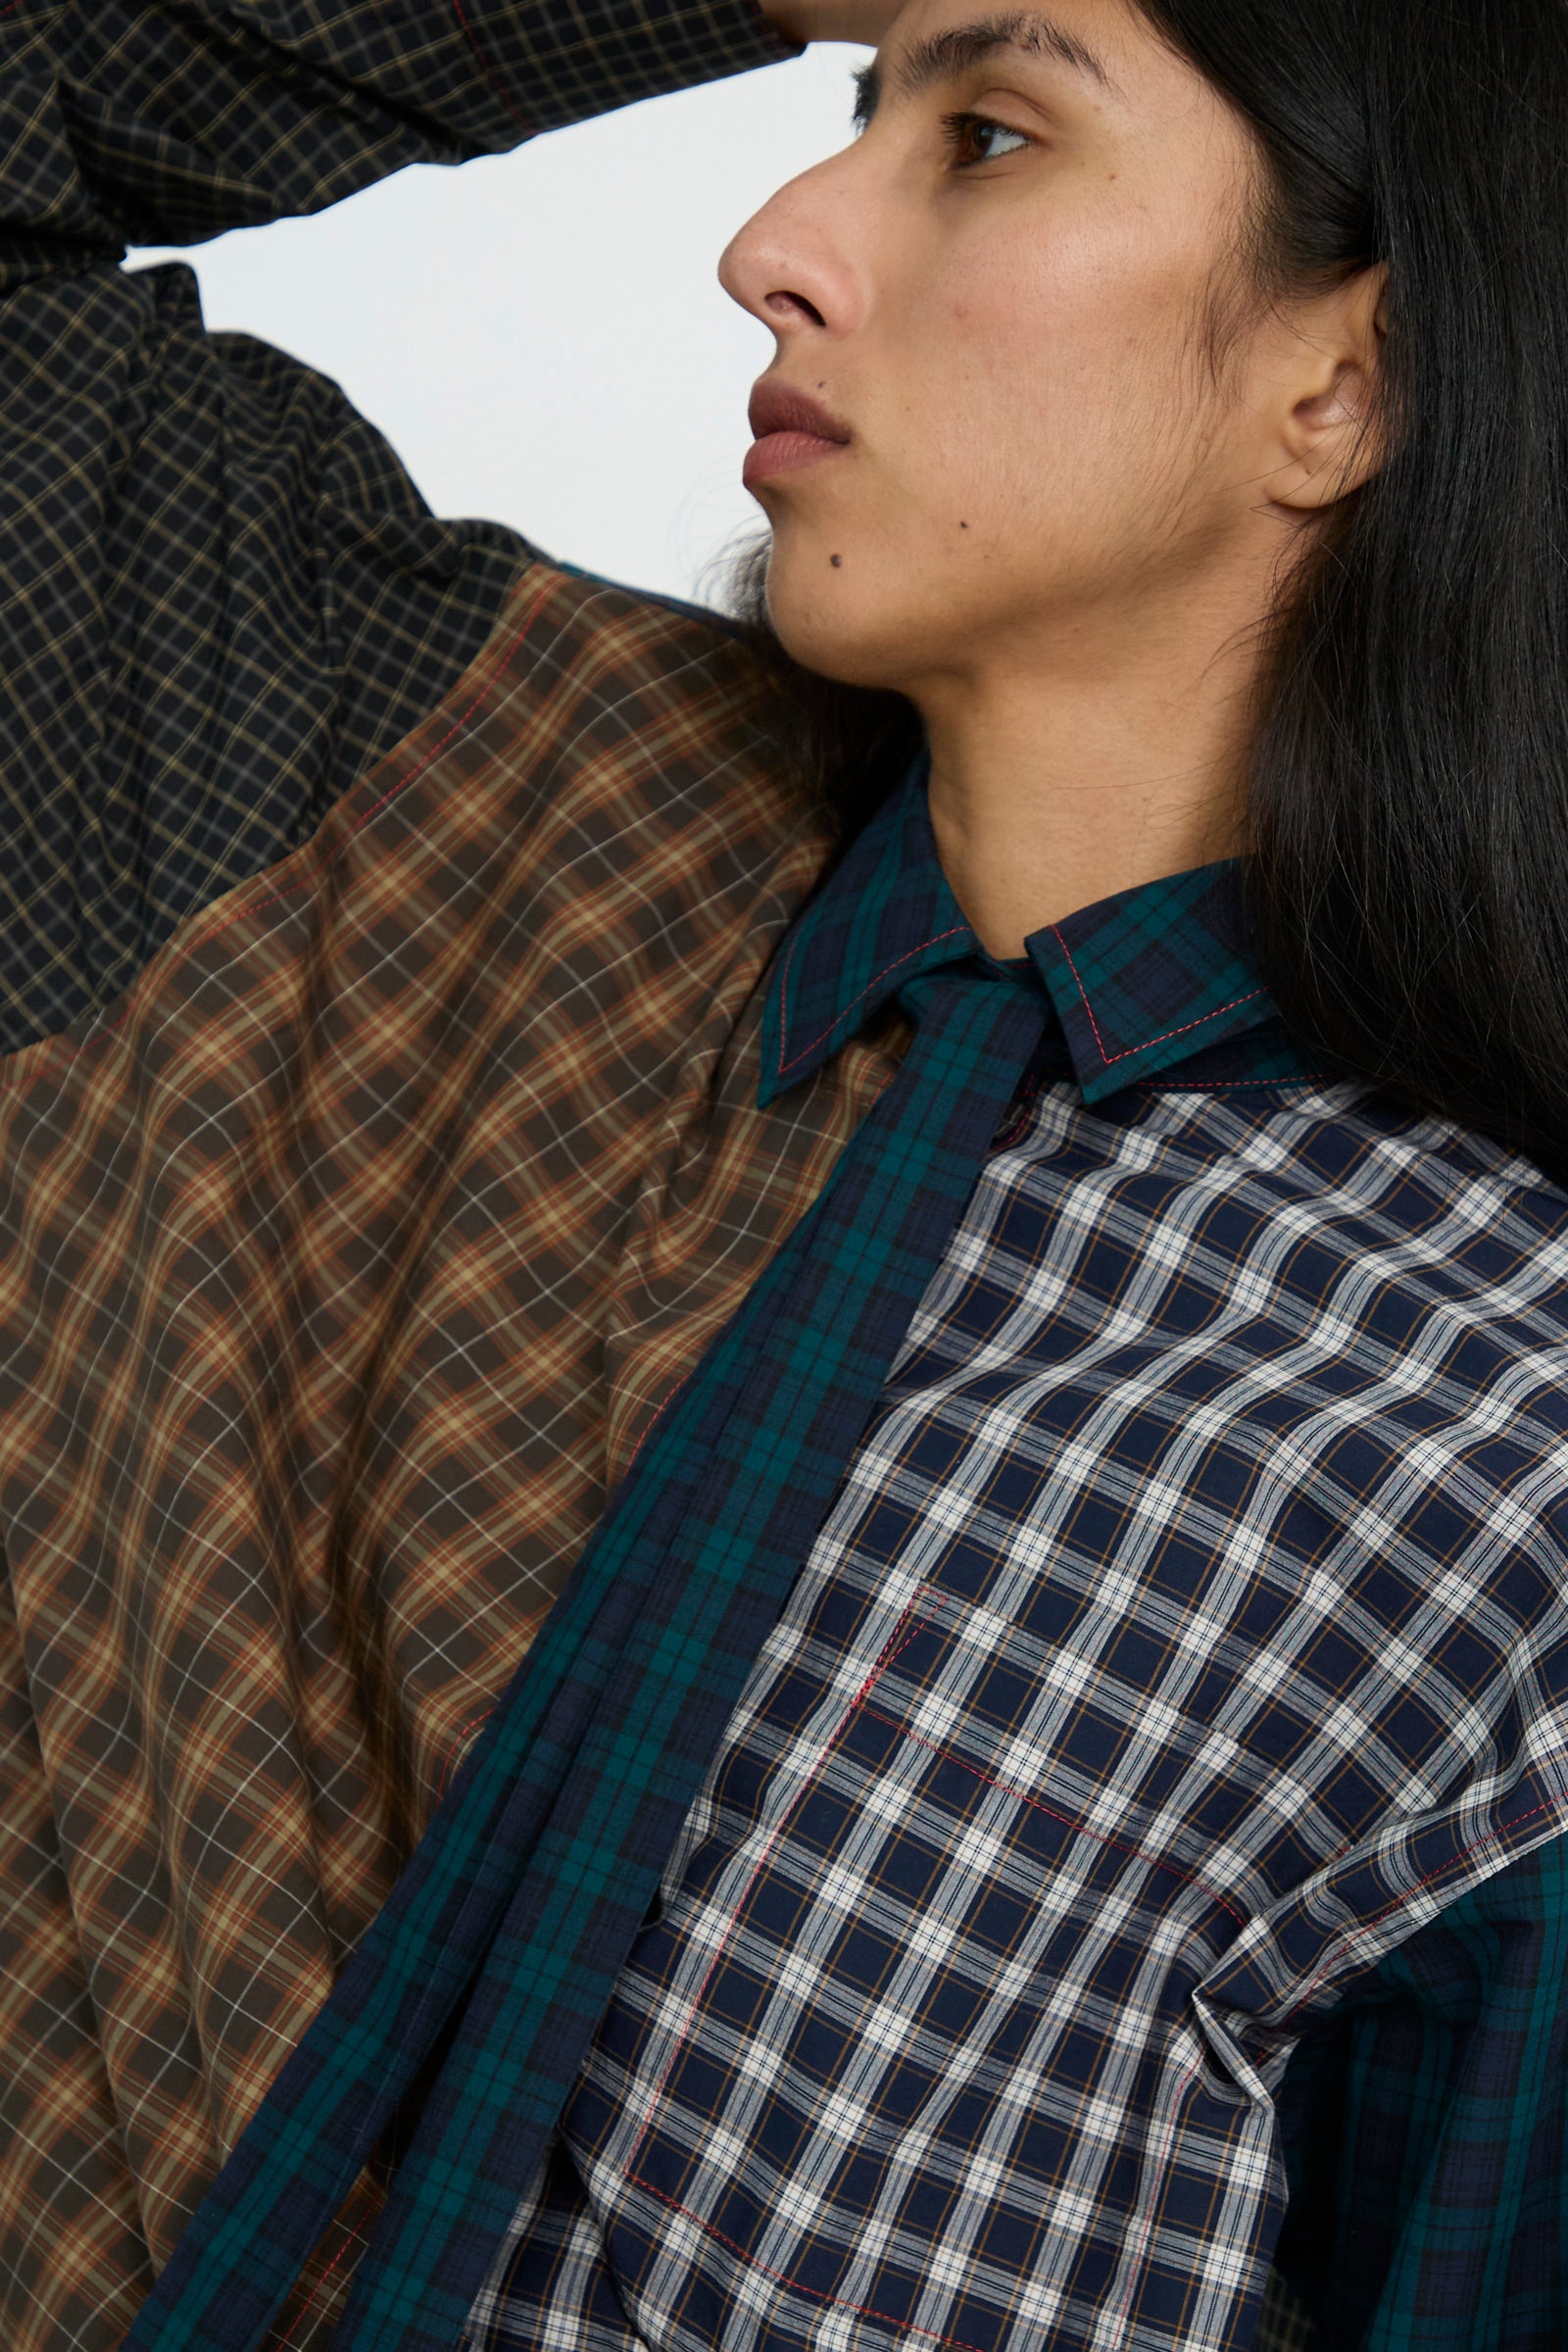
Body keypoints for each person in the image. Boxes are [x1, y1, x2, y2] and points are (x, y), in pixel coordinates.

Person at [4, 1, 1568, 2348]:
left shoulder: (1483, 1452)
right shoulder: (397, 792)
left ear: (1336, 380)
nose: (769, 246)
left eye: (991, 140)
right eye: (857, 113)